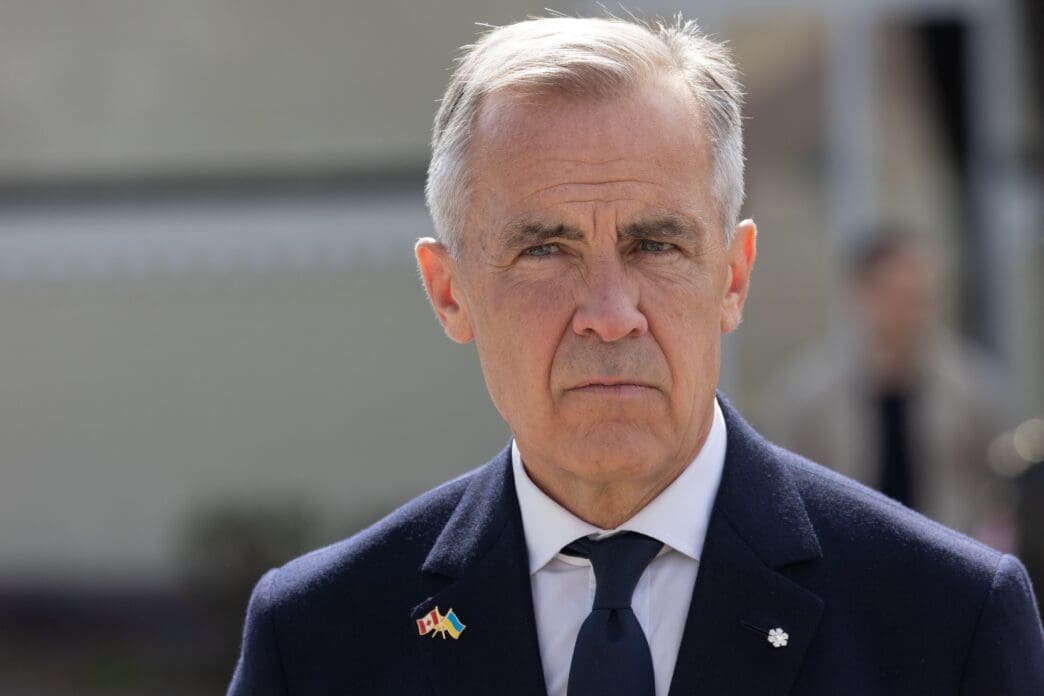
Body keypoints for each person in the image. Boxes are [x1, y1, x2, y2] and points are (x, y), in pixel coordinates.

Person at [228, 16, 1044, 695]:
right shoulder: (318, 638)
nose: (611, 317)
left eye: (656, 244)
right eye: (545, 250)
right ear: (449, 292)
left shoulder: (948, 622)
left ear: (732, 276)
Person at [760, 231, 1015, 544]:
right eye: (893, 296)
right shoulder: (810, 399)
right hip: (849, 563)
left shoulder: (971, 390)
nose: (908, 313)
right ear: (860, 296)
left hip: (951, 557)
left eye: (918, 297)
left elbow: (1000, 491)